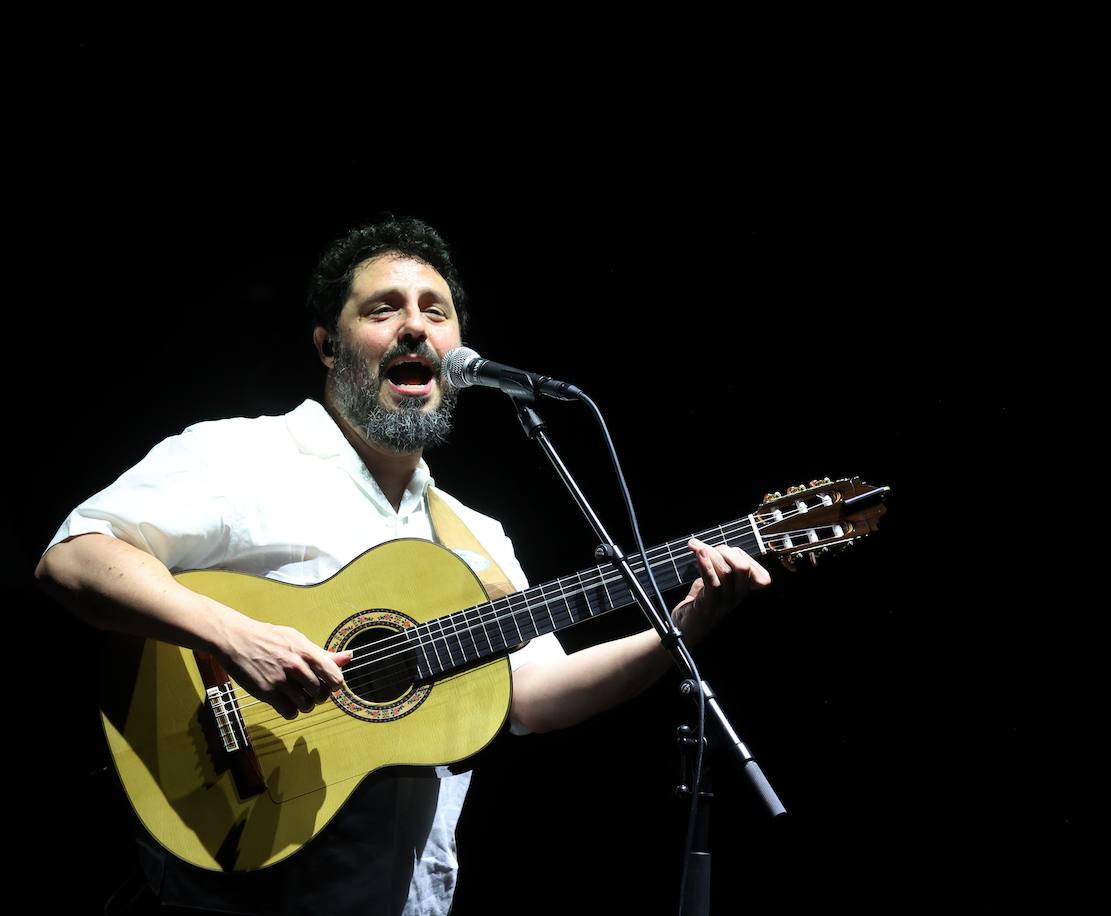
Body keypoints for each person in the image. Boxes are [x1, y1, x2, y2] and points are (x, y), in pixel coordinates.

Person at [34, 216, 771, 915]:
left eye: (435, 311)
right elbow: (76, 558)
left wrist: (683, 626)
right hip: (228, 890)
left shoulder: (474, 536)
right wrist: (232, 636)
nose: (415, 325)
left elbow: (535, 696)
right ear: (329, 346)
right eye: (383, 309)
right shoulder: (241, 456)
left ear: (457, 353)